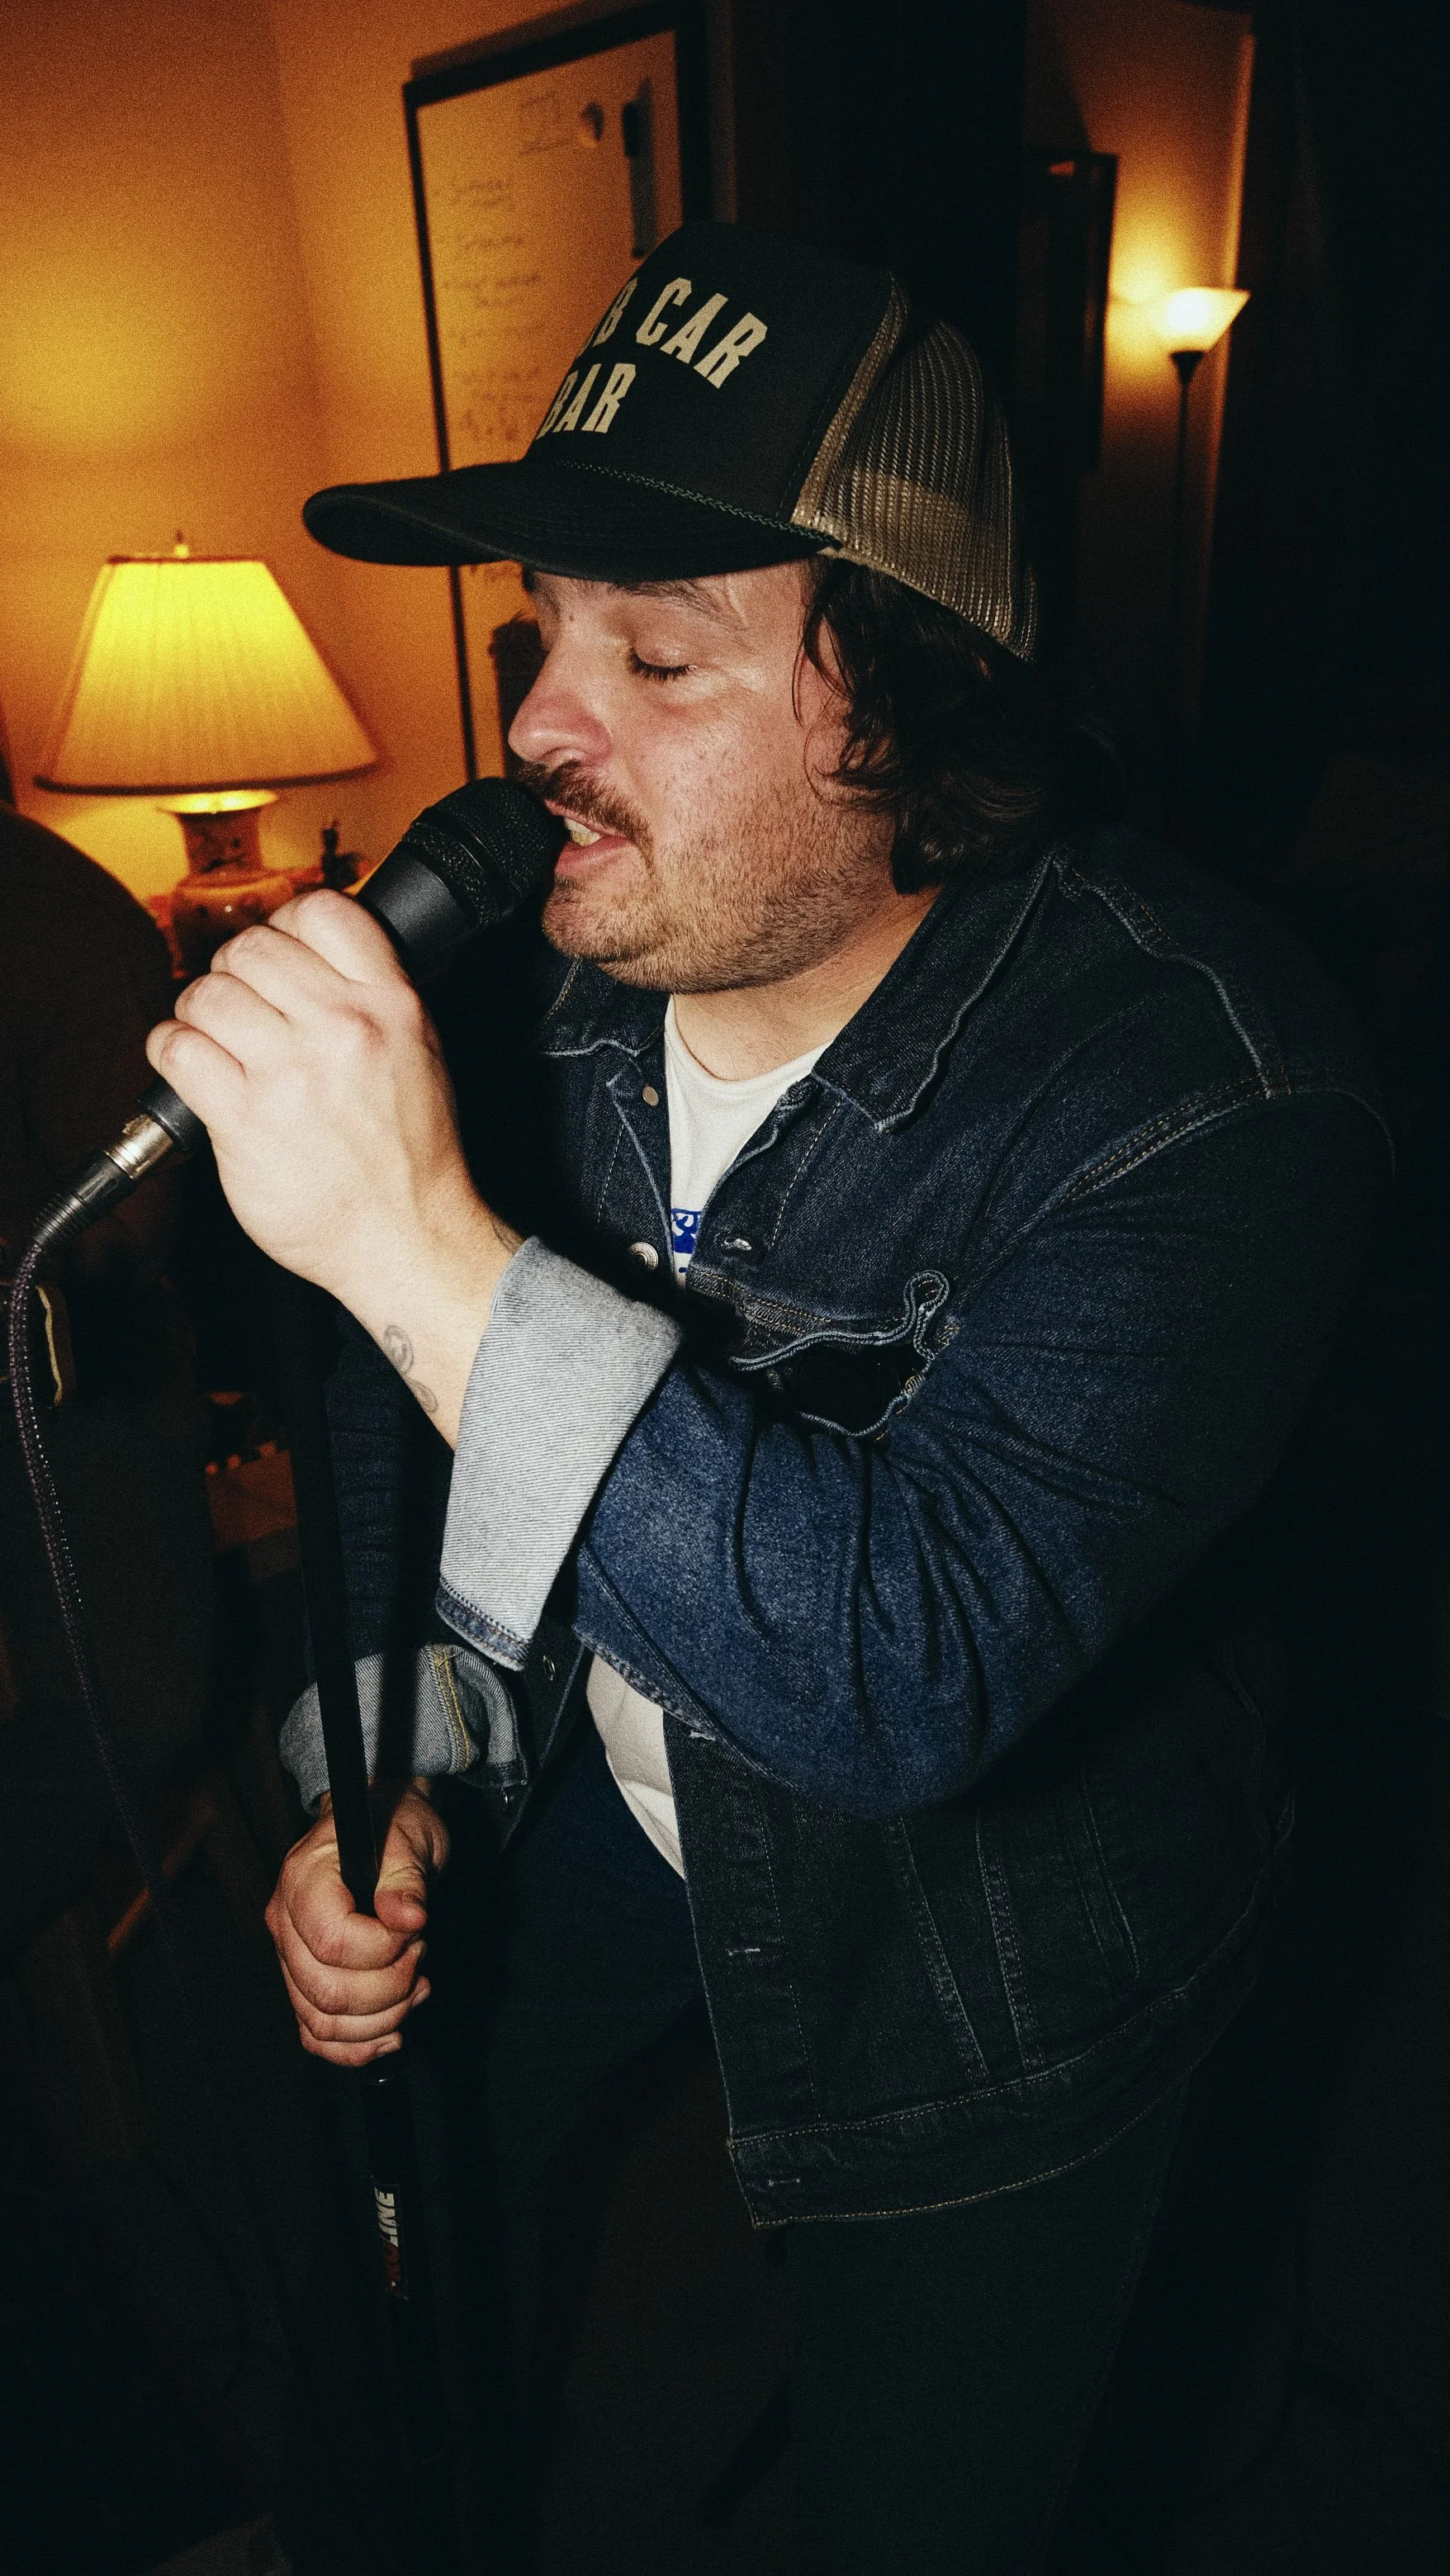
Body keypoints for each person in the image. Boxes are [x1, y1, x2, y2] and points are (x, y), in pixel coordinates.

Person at [145, 225, 1387, 2570]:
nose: (531, 728)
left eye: (656, 654)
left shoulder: (1207, 1086)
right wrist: (384, 1777)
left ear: (899, 700)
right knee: (380, 2291)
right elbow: (390, 1469)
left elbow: (909, 1674)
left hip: (991, 1936)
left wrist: (422, 1235)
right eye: (539, 637)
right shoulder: (541, 985)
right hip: (593, 1816)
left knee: (926, 2495)